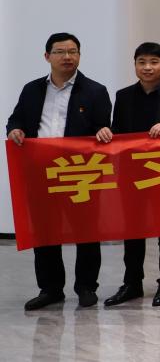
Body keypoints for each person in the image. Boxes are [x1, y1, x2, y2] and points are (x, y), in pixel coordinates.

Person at [7, 32, 111, 310]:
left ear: (79, 55)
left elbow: (103, 127)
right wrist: (15, 130)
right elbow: (16, 119)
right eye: (60, 52)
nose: (67, 57)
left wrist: (103, 131)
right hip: (41, 171)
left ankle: (86, 287)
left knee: (86, 232)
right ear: (47, 56)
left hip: (79, 172)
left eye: (73, 51)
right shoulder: (32, 89)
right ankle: (50, 289)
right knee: (45, 232)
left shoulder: (95, 91)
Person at [98, 42, 160, 308]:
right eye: (142, 62)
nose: (147, 67)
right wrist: (107, 132)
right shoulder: (123, 96)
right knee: (133, 230)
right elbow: (118, 131)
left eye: (153, 62)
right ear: (135, 65)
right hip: (132, 173)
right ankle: (132, 283)